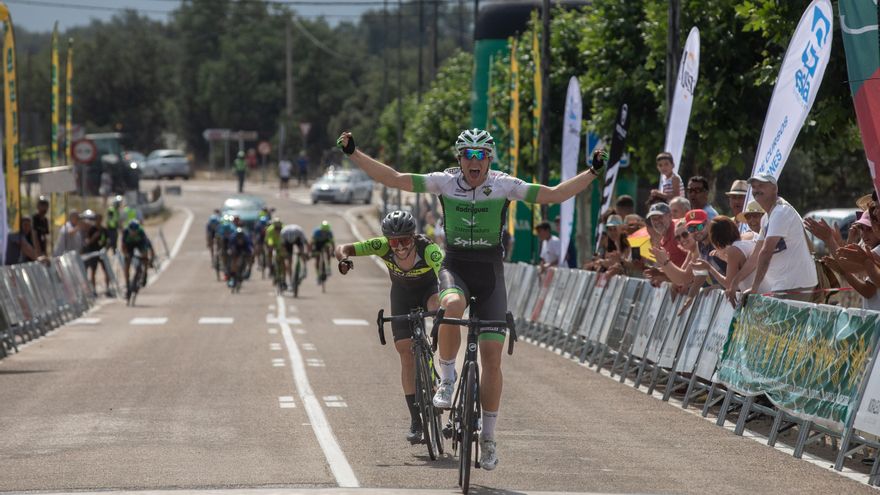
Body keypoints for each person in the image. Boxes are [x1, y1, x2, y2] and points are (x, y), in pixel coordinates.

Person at [336, 127, 605, 470]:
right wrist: (354, 154)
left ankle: (489, 439)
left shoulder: (505, 184)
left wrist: (593, 172)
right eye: (468, 155)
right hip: (456, 267)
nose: (474, 161)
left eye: (481, 155)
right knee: (451, 306)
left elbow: (552, 195)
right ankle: (446, 378)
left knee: (492, 357)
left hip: (490, 272)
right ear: (459, 159)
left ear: (489, 159)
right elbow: (394, 177)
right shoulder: (444, 182)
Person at [335, 210, 444, 443]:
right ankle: (416, 421)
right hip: (402, 296)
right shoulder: (382, 246)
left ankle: (443, 372)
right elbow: (344, 247)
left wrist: (444, 310)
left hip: (428, 292)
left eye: (405, 240)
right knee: (405, 352)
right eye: (394, 241)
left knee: (439, 312)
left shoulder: (429, 250)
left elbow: (444, 276)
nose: (400, 247)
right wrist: (343, 259)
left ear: (413, 237)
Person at [728, 173, 816, 304]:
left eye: (761, 185)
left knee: (782, 325)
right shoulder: (767, 217)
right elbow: (755, 256)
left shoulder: (781, 212)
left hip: (796, 284)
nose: (757, 190)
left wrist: (754, 288)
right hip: (784, 285)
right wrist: (734, 282)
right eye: (754, 187)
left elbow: (766, 252)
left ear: (775, 188)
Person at [691, 216, 766, 293]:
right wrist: (726, 258)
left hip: (758, 295)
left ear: (715, 238)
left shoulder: (733, 250)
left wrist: (709, 267)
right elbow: (746, 262)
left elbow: (729, 284)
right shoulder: (752, 234)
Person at [645, 202, 687, 267]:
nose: (657, 221)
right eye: (653, 219)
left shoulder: (678, 232)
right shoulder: (663, 239)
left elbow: (693, 259)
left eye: (660, 217)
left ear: (670, 216)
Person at [121, 220, 154, 302]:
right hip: (129, 247)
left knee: (144, 257)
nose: (134, 233)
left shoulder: (141, 233)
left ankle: (145, 274)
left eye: (135, 231)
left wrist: (149, 260)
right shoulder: (125, 232)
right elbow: (123, 247)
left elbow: (148, 249)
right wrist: (126, 255)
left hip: (140, 245)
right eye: (132, 231)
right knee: (127, 263)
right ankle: (128, 284)